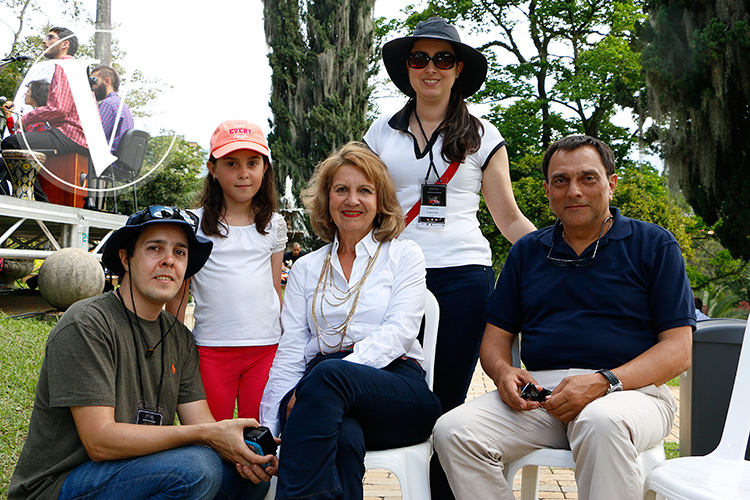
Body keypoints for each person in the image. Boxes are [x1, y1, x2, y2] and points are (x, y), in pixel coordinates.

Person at [433, 135, 696, 500]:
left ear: (611, 183)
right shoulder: (528, 251)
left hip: (632, 393)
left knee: (600, 421)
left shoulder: (654, 245)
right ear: (547, 190)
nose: (574, 191)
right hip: (544, 397)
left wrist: (604, 382)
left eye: (588, 178)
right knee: (454, 430)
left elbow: (679, 351)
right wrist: (503, 372)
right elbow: (495, 338)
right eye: (561, 180)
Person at [363, 16, 536, 498]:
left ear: (458, 68)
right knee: (395, 388)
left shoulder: (483, 133)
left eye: (442, 59)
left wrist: (558, 256)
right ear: (408, 68)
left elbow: (508, 218)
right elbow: (355, 203)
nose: (430, 68)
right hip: (395, 275)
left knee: (449, 403)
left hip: (464, 277)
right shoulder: (380, 132)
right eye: (419, 58)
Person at [8, 205, 277, 500]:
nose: (168, 261)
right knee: (196, 467)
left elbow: (200, 422)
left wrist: (241, 449)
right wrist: (206, 436)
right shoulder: (87, 323)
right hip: (61, 484)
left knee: (248, 480)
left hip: (133, 471)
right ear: (126, 258)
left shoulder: (179, 338)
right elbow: (99, 441)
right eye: (154, 248)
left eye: (180, 252)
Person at [259, 142, 442, 499]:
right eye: (341, 189)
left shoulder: (404, 255)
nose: (352, 200)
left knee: (327, 377)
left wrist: (320, 383)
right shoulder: (306, 269)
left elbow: (400, 333)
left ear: (380, 200)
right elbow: (291, 351)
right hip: (322, 399)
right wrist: (270, 429)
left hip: (396, 390)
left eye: (364, 190)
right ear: (327, 199)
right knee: (342, 437)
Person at [167, 120, 287, 421]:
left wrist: (288, 340)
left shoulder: (274, 224)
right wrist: (172, 345)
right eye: (231, 163)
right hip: (211, 350)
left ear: (264, 168)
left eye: (252, 163)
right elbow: (179, 295)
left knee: (260, 432)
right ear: (213, 168)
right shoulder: (192, 224)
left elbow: (275, 287)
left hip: (265, 348)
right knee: (211, 435)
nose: (243, 173)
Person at [1, 27, 88, 202]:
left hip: (71, 133)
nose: (44, 41)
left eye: (50, 38)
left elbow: (59, 108)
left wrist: (25, 119)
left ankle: (40, 201)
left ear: (65, 44)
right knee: (15, 149)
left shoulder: (66, 66)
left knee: (11, 144)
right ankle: (35, 199)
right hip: (73, 132)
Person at [91, 65, 134, 154]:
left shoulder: (108, 104)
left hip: (106, 163)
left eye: (95, 81)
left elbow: (94, 139)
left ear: (107, 81)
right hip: (119, 165)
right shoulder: (122, 105)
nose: (92, 86)